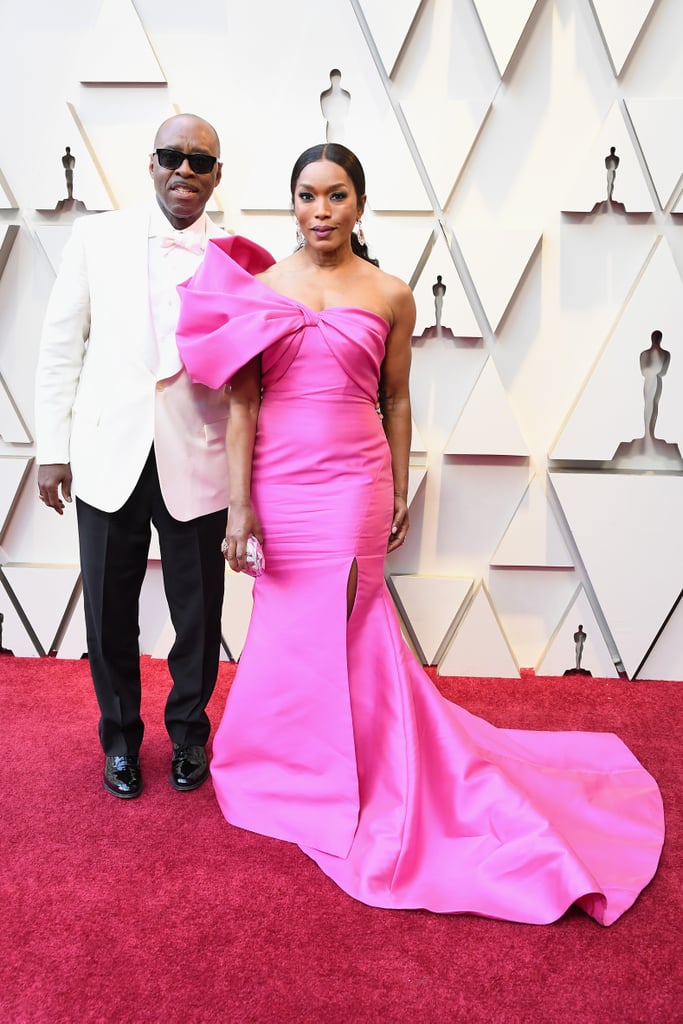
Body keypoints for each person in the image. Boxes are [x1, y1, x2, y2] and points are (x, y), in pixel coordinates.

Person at [176, 143, 664, 926]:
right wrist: (239, 508)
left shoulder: (392, 295)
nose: (321, 209)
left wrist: (398, 486)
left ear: (360, 206)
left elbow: (395, 401)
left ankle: (356, 769)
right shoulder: (262, 290)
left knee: (347, 621)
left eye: (336, 195)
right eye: (307, 195)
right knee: (287, 624)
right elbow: (242, 405)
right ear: (292, 204)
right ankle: (288, 767)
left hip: (353, 483)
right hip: (280, 481)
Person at [35, 114, 230, 800]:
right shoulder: (97, 236)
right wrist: (51, 449)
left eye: (199, 161)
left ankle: (188, 736)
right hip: (106, 451)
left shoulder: (237, 256)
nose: (184, 170)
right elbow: (63, 344)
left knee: (199, 614)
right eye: (172, 156)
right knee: (108, 612)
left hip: (198, 455)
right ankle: (119, 741)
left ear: (216, 175)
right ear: (151, 164)